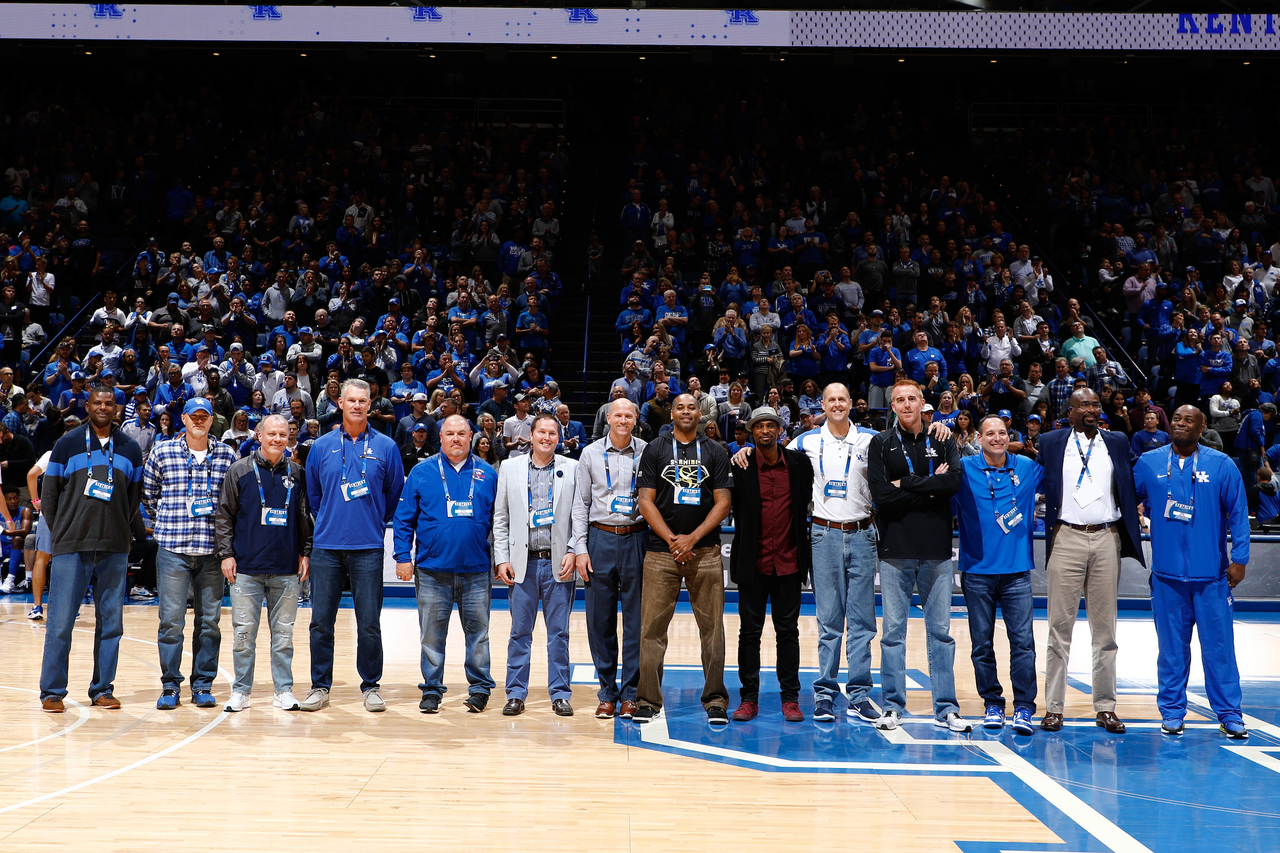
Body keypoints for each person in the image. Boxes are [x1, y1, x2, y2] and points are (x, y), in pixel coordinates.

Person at [1134, 405, 1251, 738]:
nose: (1182, 424)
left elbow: (1239, 513)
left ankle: (1230, 713)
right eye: (1178, 419)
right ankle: (1172, 711)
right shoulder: (1149, 463)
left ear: (1202, 429)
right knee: (1171, 650)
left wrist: (1239, 558)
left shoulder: (1221, 465)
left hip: (1212, 578)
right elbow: (1125, 498)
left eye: (1190, 420)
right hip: (1167, 579)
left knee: (1219, 649)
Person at [1037, 388, 1145, 733]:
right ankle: (1053, 707)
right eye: (1084, 404)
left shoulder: (1116, 441)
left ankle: (1106, 707)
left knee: (1105, 631)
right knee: (1059, 630)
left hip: (1106, 537)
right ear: (1069, 412)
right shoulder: (1052, 442)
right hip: (1065, 536)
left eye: (1095, 404)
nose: (1091, 409)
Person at [867, 378, 969, 732]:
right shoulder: (880, 444)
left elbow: (952, 483)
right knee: (893, 633)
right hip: (895, 550)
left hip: (937, 551)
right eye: (900, 400)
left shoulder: (943, 439)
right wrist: (928, 487)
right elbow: (881, 495)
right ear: (892, 406)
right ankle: (893, 706)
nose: (907, 404)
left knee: (940, 632)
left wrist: (905, 483)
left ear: (923, 404)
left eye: (912, 398)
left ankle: (946, 708)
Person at [38, 388, 145, 712]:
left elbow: (133, 500)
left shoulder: (130, 448)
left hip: (114, 548)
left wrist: (118, 529)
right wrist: (65, 532)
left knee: (111, 624)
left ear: (116, 407)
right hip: (72, 546)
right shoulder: (67, 443)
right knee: (60, 622)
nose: (102, 407)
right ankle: (53, 692)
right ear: (88, 406)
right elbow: (50, 497)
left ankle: (102, 689)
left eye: (108, 403)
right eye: (97, 402)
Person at [302, 379, 405, 713]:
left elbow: (393, 495)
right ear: (340, 403)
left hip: (368, 546)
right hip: (326, 547)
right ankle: (320, 686)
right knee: (320, 621)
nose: (358, 406)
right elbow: (314, 496)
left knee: (370, 622)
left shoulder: (387, 447)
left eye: (363, 400)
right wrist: (334, 517)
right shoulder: (320, 446)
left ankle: (371, 685)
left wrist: (373, 519)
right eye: (352, 401)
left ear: (370, 404)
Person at [633, 393, 732, 724]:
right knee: (651, 630)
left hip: (705, 551)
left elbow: (723, 503)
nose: (687, 412)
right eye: (681, 407)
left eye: (692, 407)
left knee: (712, 630)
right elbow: (645, 500)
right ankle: (647, 699)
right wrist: (672, 539)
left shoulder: (716, 451)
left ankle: (716, 699)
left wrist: (693, 537)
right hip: (662, 553)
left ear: (700, 413)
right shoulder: (655, 449)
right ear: (671, 413)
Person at [393, 414, 500, 714]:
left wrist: (501, 558)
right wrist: (403, 557)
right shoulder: (421, 471)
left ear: (471, 438)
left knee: (478, 635)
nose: (455, 438)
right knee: (431, 636)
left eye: (461, 433)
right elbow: (403, 520)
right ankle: (431, 689)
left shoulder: (488, 474)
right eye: (449, 433)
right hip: (431, 571)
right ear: (439, 438)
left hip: (476, 570)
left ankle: (479, 689)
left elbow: (500, 522)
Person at [142, 397, 239, 709]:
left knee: (209, 621)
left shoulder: (226, 454)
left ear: (212, 420)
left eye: (204, 417)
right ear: (182, 418)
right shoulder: (162, 450)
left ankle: (202, 684)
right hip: (173, 549)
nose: (199, 421)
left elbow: (233, 503)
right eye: (193, 416)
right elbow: (149, 494)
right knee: (171, 621)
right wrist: (165, 523)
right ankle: (170, 685)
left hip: (212, 552)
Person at [215, 414, 313, 712]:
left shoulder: (298, 473)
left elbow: (304, 517)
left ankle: (283, 690)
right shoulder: (239, 471)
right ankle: (241, 691)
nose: (277, 439)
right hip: (245, 568)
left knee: (284, 637)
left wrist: (306, 553)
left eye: (283, 435)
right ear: (259, 435)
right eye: (271, 434)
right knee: (243, 635)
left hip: (286, 569)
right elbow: (224, 516)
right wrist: (226, 554)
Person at [956, 415, 1044, 736]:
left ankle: (1023, 706)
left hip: (1017, 573)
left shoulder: (1026, 467)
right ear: (979, 438)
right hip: (977, 572)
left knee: (1023, 644)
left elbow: (1058, 480)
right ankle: (992, 701)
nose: (997, 438)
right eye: (990, 433)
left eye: (1002, 433)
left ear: (1010, 437)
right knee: (981, 645)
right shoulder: (964, 469)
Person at [726, 406, 814, 722]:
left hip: (789, 563)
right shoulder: (740, 466)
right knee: (749, 633)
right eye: (759, 426)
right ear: (751, 432)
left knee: (787, 632)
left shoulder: (800, 465)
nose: (765, 430)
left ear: (779, 430)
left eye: (770, 425)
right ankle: (748, 698)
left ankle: (790, 698)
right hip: (754, 564)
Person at [493, 413, 579, 716]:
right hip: (522, 564)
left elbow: (578, 517)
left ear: (559, 437)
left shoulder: (572, 468)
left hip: (559, 564)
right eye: (541, 432)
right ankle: (515, 693)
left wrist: (573, 549)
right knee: (519, 633)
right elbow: (500, 518)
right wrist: (501, 558)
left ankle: (560, 693)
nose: (546, 438)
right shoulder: (509, 467)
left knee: (559, 634)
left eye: (552, 433)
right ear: (531, 434)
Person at [570, 398, 648, 719]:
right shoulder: (589, 454)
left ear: (635, 419)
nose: (623, 420)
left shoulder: (648, 450)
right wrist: (580, 548)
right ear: (607, 418)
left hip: (636, 537)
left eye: (629, 415)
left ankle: (630, 693)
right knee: (599, 621)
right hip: (600, 538)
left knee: (636, 622)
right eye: (618, 414)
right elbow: (580, 505)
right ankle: (607, 692)